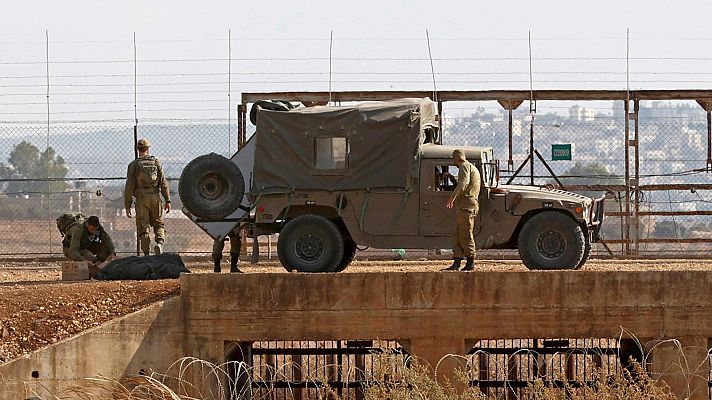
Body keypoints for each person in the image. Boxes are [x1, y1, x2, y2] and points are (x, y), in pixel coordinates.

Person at [124, 138, 171, 256]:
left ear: (137, 149)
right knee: (158, 224)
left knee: (143, 227)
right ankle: (159, 243)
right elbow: (163, 182)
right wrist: (167, 200)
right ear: (148, 148)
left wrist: (127, 205)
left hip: (141, 199)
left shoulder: (134, 165)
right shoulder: (156, 162)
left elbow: (129, 187)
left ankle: (146, 254)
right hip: (155, 197)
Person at [443, 149, 481, 271]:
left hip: (467, 206)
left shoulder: (464, 166)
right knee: (458, 235)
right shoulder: (471, 167)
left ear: (455, 159)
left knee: (465, 234)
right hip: (466, 205)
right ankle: (457, 262)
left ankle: (470, 262)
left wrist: (452, 198)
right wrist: (451, 178)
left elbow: (463, 183)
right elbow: (464, 183)